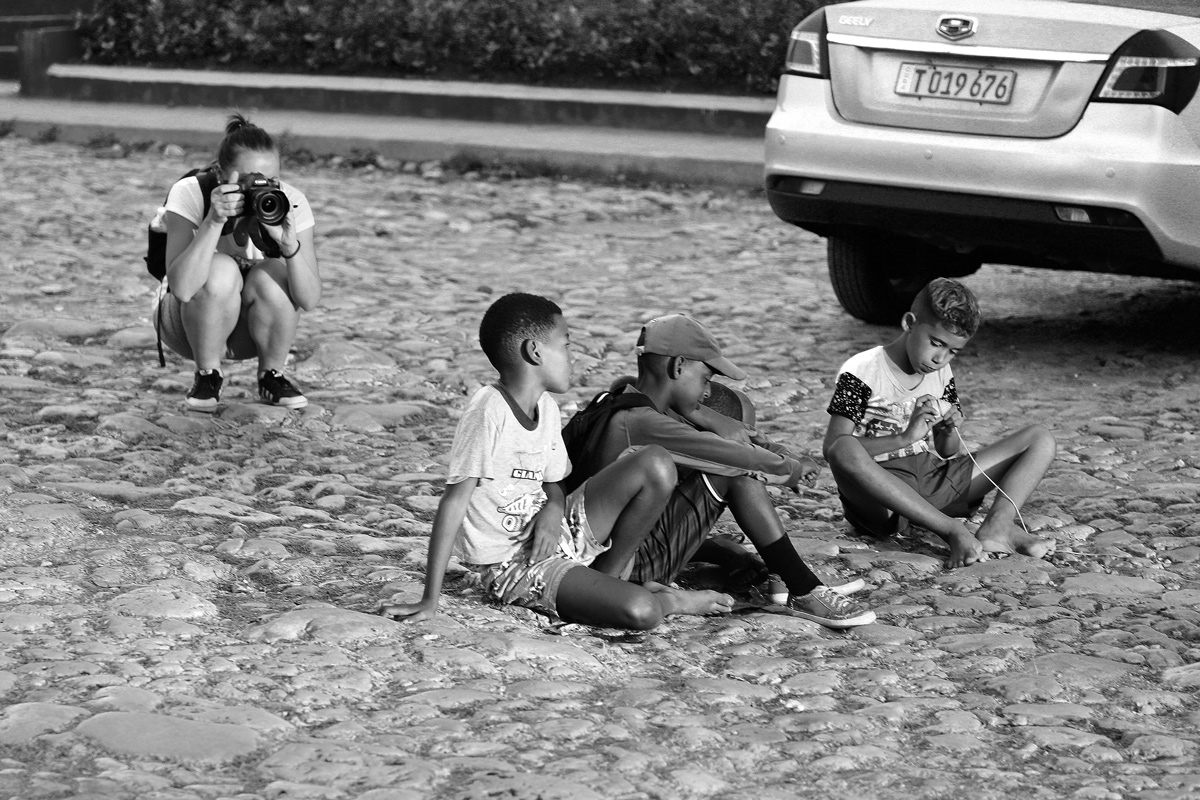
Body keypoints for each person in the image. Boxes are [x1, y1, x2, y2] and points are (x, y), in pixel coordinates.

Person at [381, 293, 734, 631]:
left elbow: (554, 484)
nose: (573, 357)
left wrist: (552, 510)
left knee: (655, 462)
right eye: (566, 345)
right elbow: (454, 502)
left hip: (558, 529)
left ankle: (606, 581)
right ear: (534, 352)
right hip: (518, 565)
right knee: (644, 611)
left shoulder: (546, 407)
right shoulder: (488, 410)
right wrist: (430, 600)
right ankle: (667, 601)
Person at [581, 314, 876, 629]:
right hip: (623, 568)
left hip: (618, 553)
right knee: (736, 474)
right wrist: (791, 468)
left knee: (733, 432)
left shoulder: (623, 400)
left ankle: (785, 577)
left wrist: (709, 417)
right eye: (706, 378)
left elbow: (627, 383)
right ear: (678, 366)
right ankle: (802, 589)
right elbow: (735, 458)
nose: (707, 391)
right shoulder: (643, 421)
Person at [823, 278, 1057, 569]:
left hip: (931, 480)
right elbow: (832, 450)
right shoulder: (862, 370)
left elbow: (948, 451)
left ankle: (998, 525)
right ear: (910, 323)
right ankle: (950, 529)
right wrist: (904, 438)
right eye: (936, 343)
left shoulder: (941, 373)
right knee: (844, 447)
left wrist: (948, 429)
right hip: (882, 495)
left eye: (953, 351)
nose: (940, 358)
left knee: (1039, 438)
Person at [156, 113, 321, 411]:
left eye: (270, 180)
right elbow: (181, 288)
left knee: (273, 271)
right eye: (248, 181)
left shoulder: (289, 201)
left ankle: (272, 376)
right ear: (221, 174)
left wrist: (289, 247)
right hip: (185, 324)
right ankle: (207, 375)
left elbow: (309, 300)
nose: (260, 188)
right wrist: (213, 221)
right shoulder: (192, 192)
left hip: (253, 330)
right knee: (220, 268)